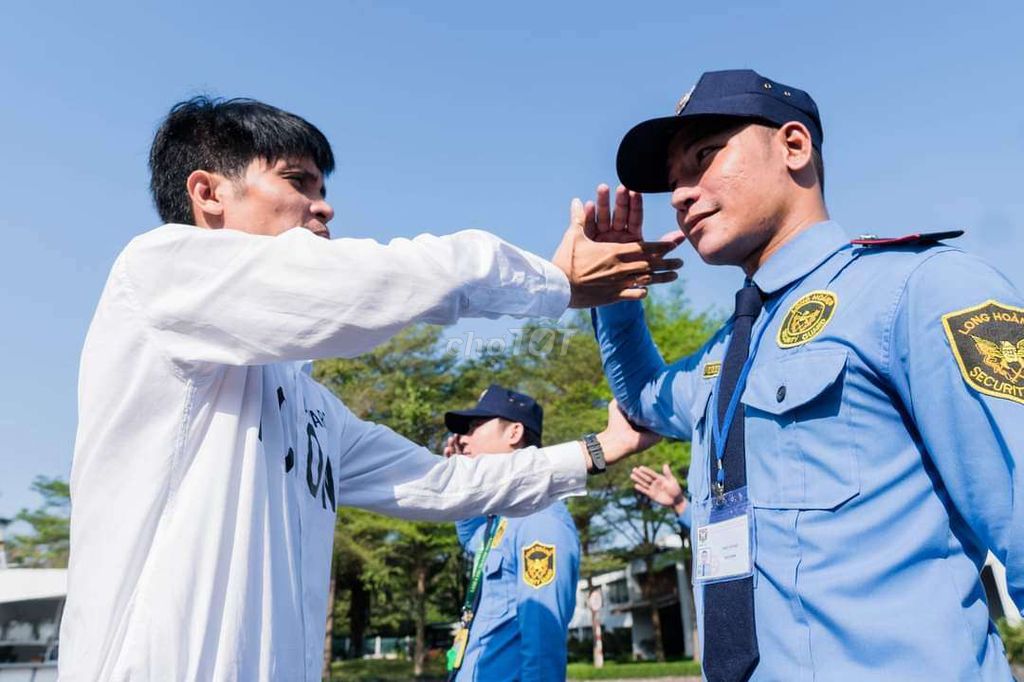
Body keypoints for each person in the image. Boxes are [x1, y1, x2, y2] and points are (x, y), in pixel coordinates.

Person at [59, 96, 680, 681]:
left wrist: (600, 449)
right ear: (208, 193)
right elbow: (368, 284)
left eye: (325, 190)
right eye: (298, 181)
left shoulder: (311, 411)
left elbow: (446, 485)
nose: (324, 207)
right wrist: (551, 281)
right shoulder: (157, 273)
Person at [590, 69, 1023, 680]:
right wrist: (615, 293)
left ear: (794, 146)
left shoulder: (921, 291)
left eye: (705, 157)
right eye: (672, 182)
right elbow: (642, 398)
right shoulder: (725, 355)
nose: (682, 194)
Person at [441, 386, 585, 681]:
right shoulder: (503, 517)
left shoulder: (540, 519)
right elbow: (472, 540)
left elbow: (543, 645)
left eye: (476, 426)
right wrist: (463, 485)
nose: (463, 440)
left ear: (514, 433)